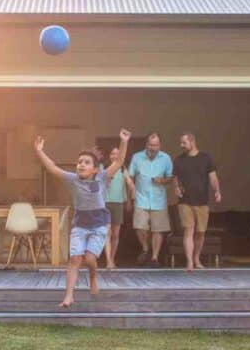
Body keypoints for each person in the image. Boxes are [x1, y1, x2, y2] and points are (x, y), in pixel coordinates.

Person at [35, 128, 131, 308]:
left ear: (95, 169)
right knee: (74, 259)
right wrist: (40, 151)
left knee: (88, 259)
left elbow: (118, 162)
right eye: (79, 162)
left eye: (86, 162)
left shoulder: (102, 178)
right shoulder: (72, 179)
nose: (81, 165)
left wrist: (124, 142)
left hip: (99, 224)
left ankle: (93, 276)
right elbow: (53, 168)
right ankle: (69, 295)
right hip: (80, 224)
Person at [173, 132, 222, 271]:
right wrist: (176, 188)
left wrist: (217, 191)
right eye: (181, 143)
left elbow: (213, 177)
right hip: (185, 201)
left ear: (192, 142)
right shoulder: (179, 160)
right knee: (188, 230)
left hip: (202, 201)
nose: (181, 145)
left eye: (184, 142)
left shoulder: (206, 158)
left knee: (200, 232)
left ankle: (196, 258)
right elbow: (175, 177)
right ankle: (189, 262)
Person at [127, 132, 174, 268]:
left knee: (158, 229)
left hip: (159, 199)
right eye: (151, 145)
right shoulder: (137, 157)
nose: (153, 147)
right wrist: (130, 197)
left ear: (160, 145)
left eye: (156, 145)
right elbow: (129, 177)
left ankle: (154, 258)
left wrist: (163, 180)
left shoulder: (166, 158)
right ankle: (146, 249)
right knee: (139, 226)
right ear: (146, 144)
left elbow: (171, 178)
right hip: (140, 198)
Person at [103, 146, 136, 269]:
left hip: (118, 204)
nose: (115, 156)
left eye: (118, 154)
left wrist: (132, 189)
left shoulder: (123, 169)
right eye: (112, 153)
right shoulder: (104, 168)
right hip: (105, 203)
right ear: (109, 155)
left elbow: (129, 183)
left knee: (116, 234)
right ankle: (108, 261)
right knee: (107, 233)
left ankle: (112, 258)